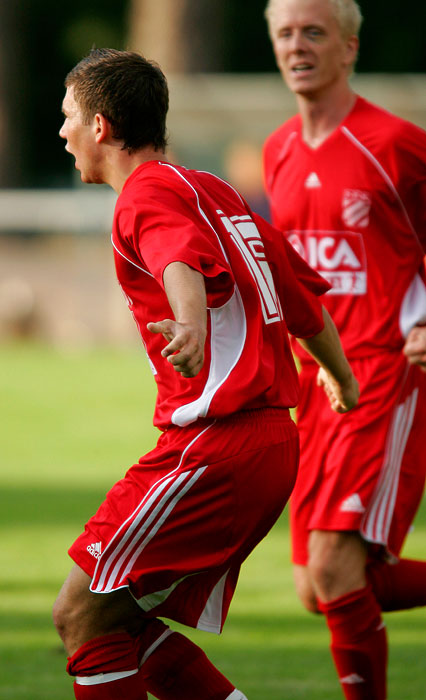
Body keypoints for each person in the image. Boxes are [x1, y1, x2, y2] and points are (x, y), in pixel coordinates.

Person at [53, 48, 358, 700]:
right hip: (271, 441)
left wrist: (189, 322)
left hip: (218, 445)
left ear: (101, 127)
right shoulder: (216, 191)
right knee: (117, 620)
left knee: (79, 612)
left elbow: (174, 257)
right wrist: (342, 378)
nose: (62, 132)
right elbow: (303, 305)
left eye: (68, 116)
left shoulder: (146, 194)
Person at [263, 1, 426, 698]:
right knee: (314, 586)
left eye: (314, 33)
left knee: (333, 570)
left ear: (349, 47)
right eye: (285, 34)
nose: (297, 46)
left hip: (387, 375)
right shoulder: (277, 151)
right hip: (318, 387)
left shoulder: (395, 144)